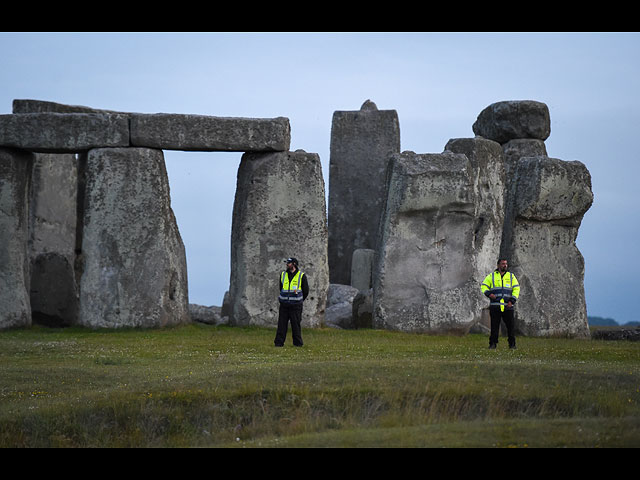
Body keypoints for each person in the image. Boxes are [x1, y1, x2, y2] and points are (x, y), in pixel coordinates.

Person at [481, 259, 520, 349]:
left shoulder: (511, 276)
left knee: (510, 327)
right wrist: (489, 294)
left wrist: (512, 300)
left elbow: (516, 289)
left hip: (508, 306)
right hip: (495, 306)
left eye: (506, 264)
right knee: (494, 327)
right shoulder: (491, 276)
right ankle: (492, 344)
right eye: (503, 264)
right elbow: (484, 286)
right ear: (498, 265)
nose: (505, 265)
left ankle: (512, 345)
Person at [274, 257, 309, 347]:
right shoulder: (283, 275)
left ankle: (297, 343)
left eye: (289, 263)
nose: (287, 264)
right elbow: (281, 288)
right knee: (281, 324)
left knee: (296, 325)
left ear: (294, 264)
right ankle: (279, 343)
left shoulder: (301, 276)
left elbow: (306, 291)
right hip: (284, 305)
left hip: (296, 306)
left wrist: (299, 300)